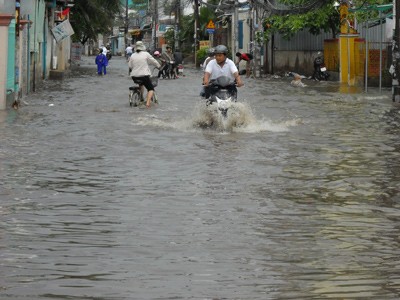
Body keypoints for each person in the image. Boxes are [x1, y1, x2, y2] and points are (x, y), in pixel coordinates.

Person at [128, 41, 161, 108]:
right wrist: (159, 66)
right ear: (142, 47)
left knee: (141, 84)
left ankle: (141, 98)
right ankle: (148, 104)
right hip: (144, 76)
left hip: (134, 76)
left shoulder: (132, 55)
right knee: (151, 89)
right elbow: (153, 61)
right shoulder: (146, 54)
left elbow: (130, 66)